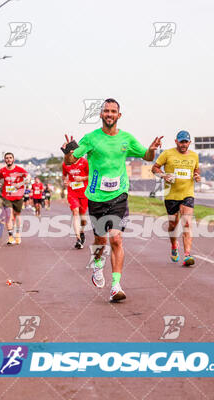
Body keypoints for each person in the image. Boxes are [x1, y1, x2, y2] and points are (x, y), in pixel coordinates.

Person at [62, 98, 162, 302]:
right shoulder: (91, 138)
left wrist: (152, 148)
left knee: (116, 238)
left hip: (119, 195)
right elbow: (72, 160)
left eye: (113, 111)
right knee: (101, 240)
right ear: (101, 115)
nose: (109, 114)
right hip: (96, 197)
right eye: (106, 111)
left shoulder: (127, 138)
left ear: (119, 115)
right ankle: (98, 265)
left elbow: (148, 157)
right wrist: (67, 152)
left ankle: (116, 285)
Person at [151, 130, 200, 266]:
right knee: (173, 225)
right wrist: (163, 175)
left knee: (187, 223)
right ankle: (174, 245)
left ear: (189, 142)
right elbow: (154, 168)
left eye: (186, 142)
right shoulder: (167, 153)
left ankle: (187, 255)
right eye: (181, 141)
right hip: (171, 195)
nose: (183, 144)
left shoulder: (194, 156)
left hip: (187, 194)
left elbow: (196, 169)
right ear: (176, 141)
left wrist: (197, 175)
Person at [0, 152, 28, 245]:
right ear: (4, 160)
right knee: (9, 215)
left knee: (17, 215)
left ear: (13, 159)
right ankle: (10, 237)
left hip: (18, 196)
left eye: (10, 158)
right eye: (7, 158)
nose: (8, 159)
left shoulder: (19, 169)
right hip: (6, 196)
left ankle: (18, 233)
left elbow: (28, 178)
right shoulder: (2, 170)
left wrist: (20, 184)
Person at [62, 156, 89, 249]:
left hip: (84, 192)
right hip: (72, 192)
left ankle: (81, 232)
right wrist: (65, 181)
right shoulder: (65, 163)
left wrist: (81, 179)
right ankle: (78, 238)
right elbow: (64, 176)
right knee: (75, 212)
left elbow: (92, 176)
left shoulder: (84, 162)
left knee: (83, 219)